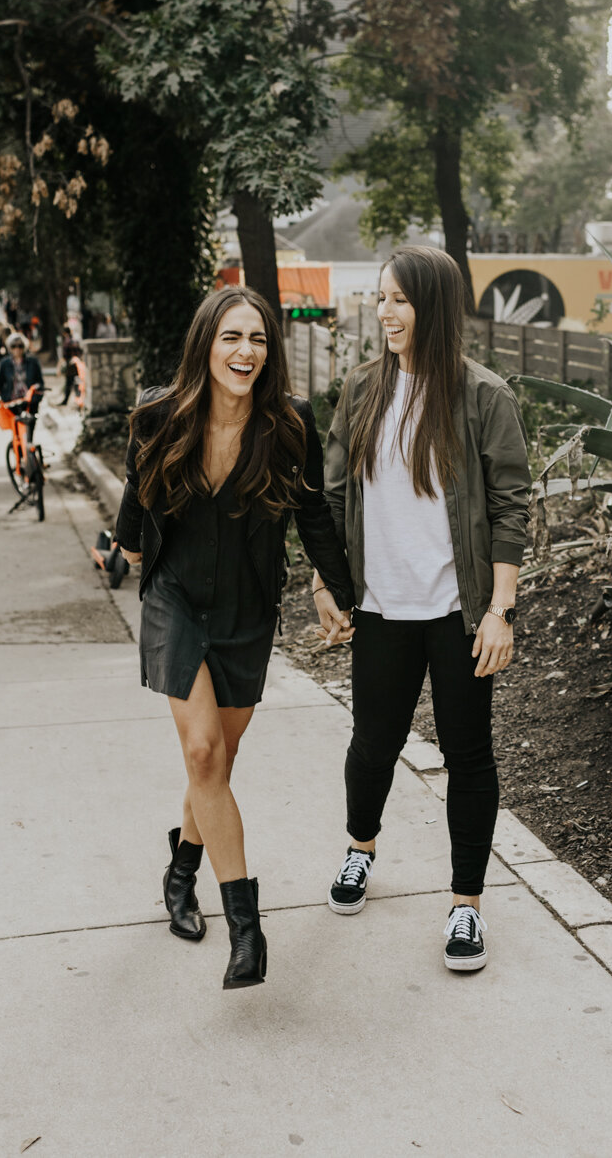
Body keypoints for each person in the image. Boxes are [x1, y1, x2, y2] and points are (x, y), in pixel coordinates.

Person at [115, 287, 353, 991]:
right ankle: (247, 931)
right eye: (231, 337)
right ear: (205, 344)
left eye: (257, 339)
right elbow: (136, 490)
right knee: (201, 751)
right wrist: (127, 543)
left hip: (248, 609)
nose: (245, 351)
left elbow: (312, 517)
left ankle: (180, 871)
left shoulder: (288, 424)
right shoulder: (160, 414)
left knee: (217, 761)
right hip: (175, 599)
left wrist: (339, 592)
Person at [316, 246, 531, 973]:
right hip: (380, 607)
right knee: (371, 744)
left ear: (433, 306)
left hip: (457, 611)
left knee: (467, 754)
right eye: (380, 298)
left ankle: (465, 905)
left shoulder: (481, 396)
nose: (385, 312)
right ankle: (359, 850)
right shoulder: (361, 390)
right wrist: (327, 585)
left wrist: (499, 610)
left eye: (400, 300)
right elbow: (334, 496)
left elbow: (508, 508)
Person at [0, 332, 45, 407]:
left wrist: (37, 395)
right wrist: (2, 397)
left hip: (29, 402)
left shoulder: (33, 362)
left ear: (24, 347)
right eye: (13, 346)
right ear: (10, 348)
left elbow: (40, 382)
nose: (17, 349)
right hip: (10, 402)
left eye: (20, 346)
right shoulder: (4, 363)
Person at [60, 325, 81, 405]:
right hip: (77, 364)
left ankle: (66, 401)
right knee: (76, 383)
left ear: (64, 333)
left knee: (69, 383)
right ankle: (78, 399)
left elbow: (64, 356)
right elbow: (80, 351)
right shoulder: (75, 340)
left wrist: (60, 366)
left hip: (70, 366)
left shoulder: (67, 342)